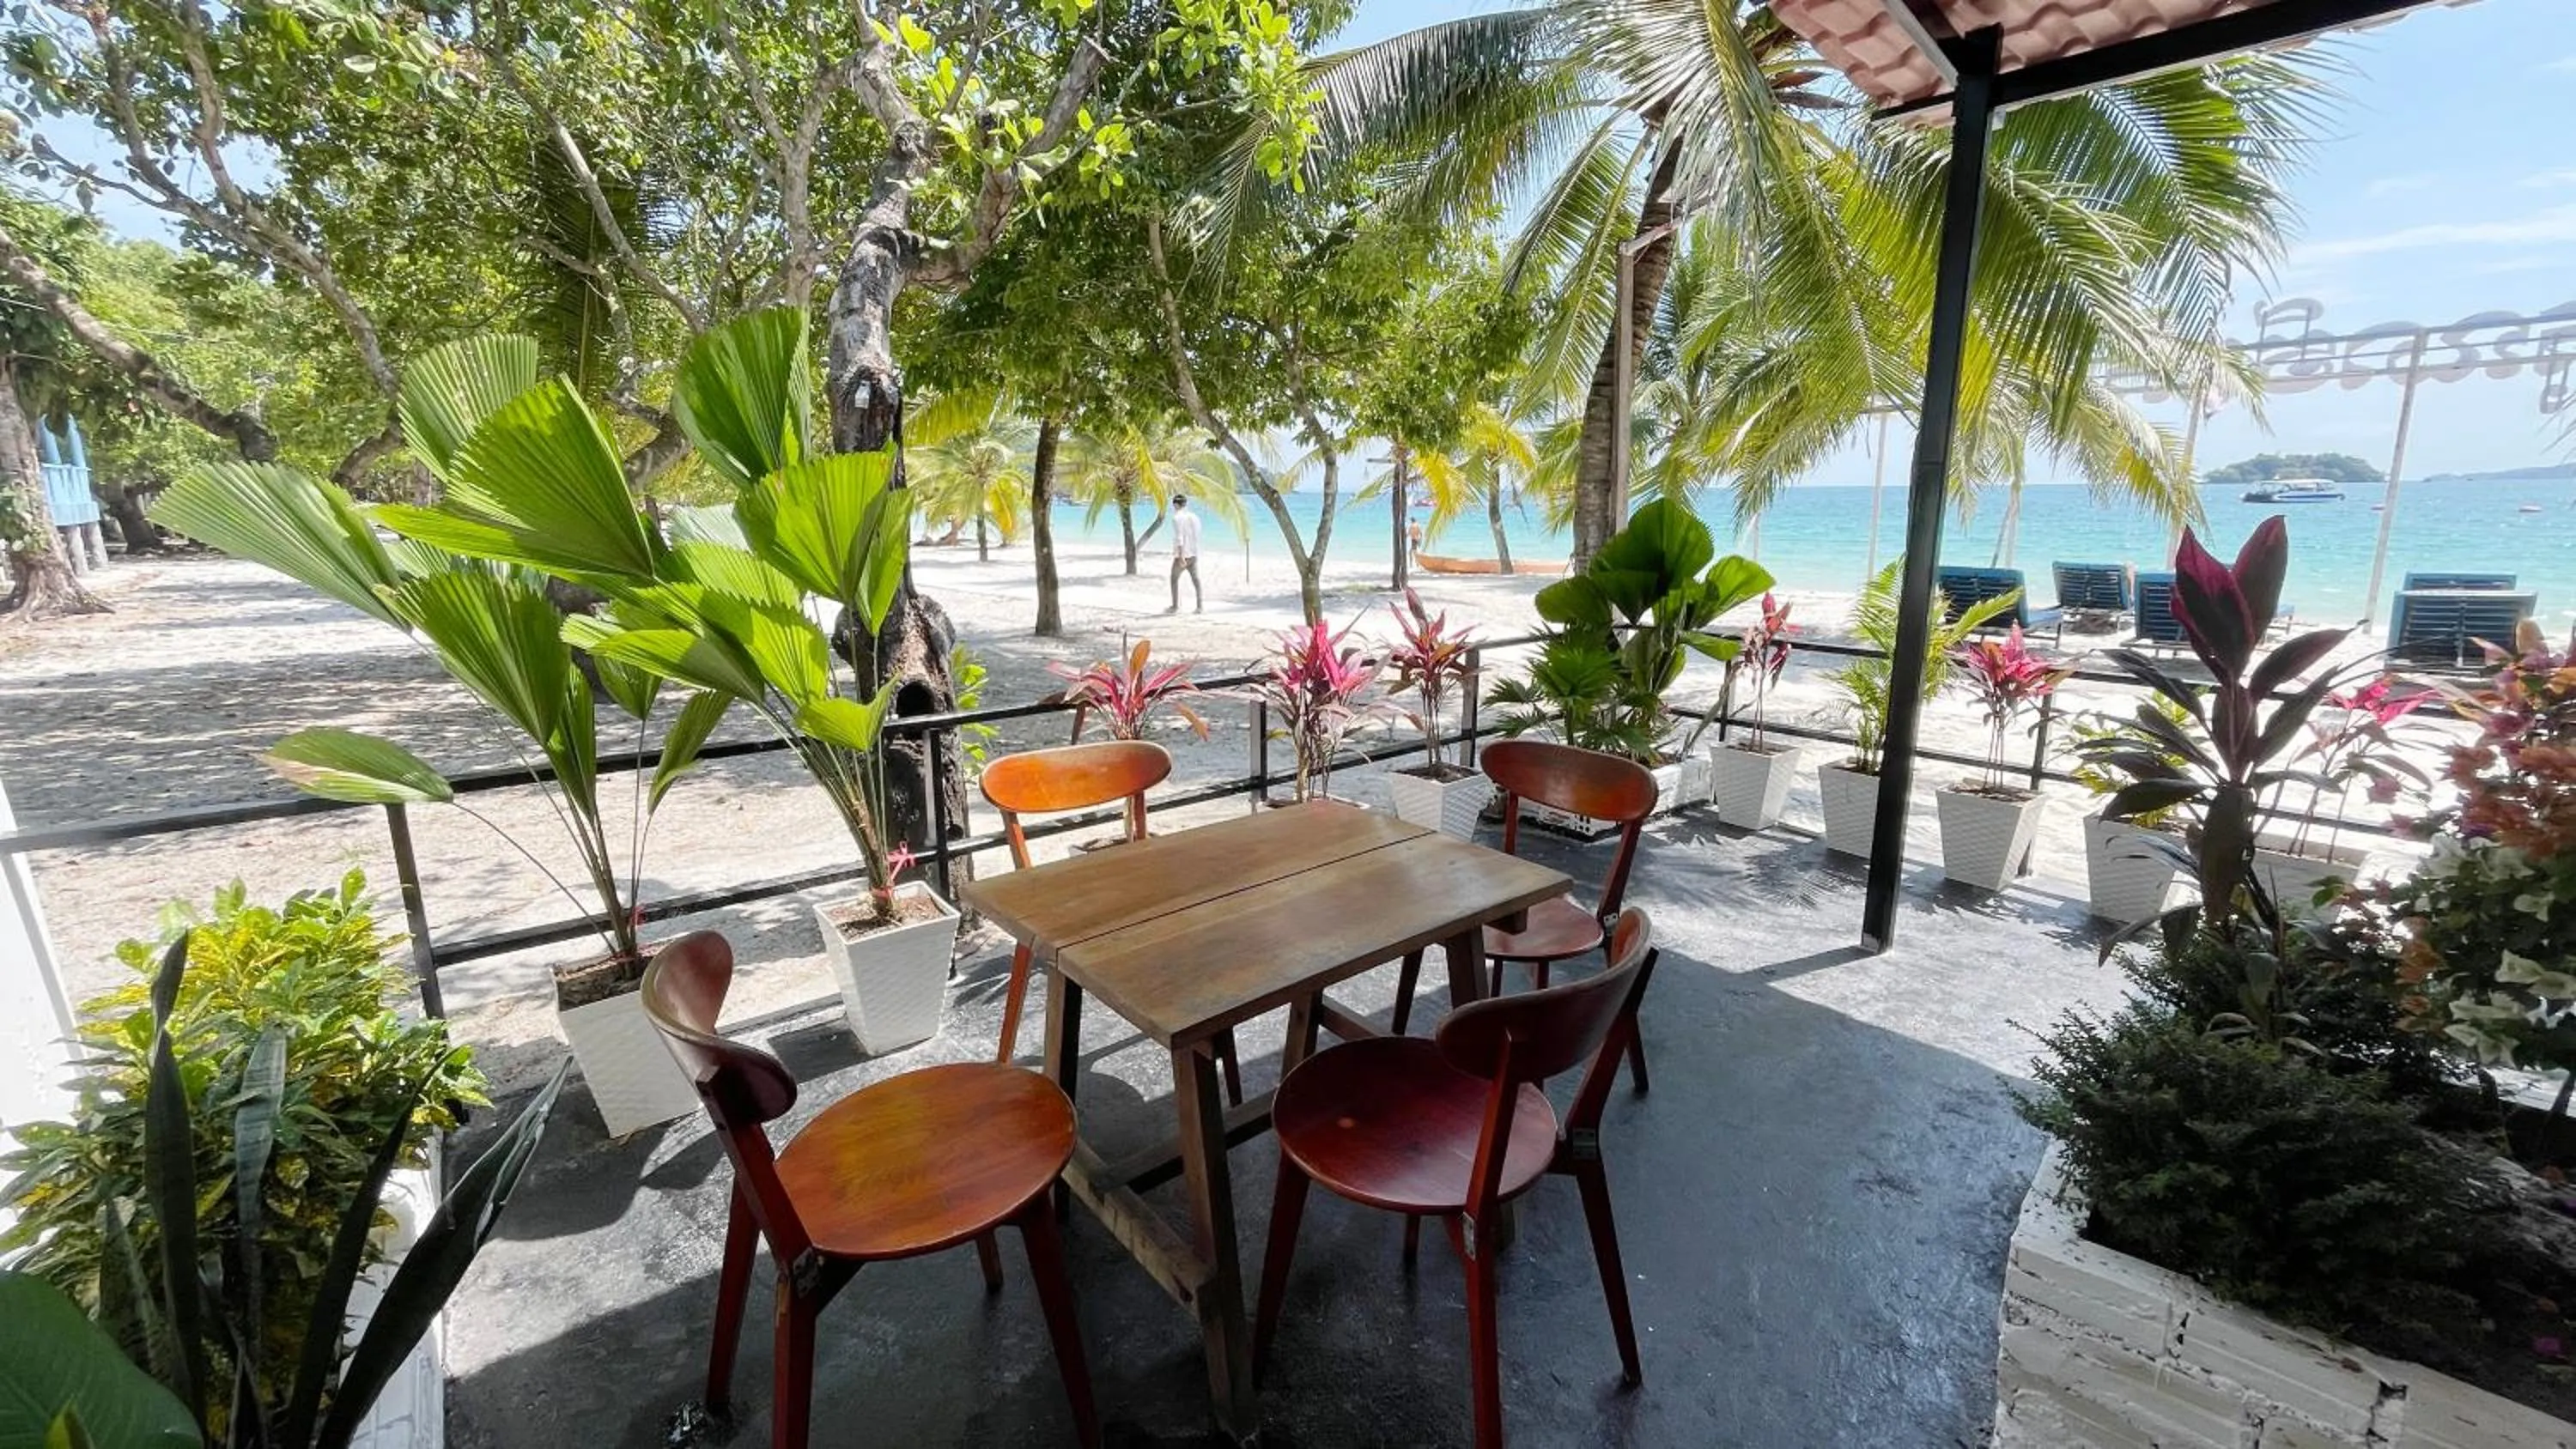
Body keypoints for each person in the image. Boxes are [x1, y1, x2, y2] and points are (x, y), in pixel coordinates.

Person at [1165, 493, 1203, 614]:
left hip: (1182, 554)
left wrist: (1181, 556)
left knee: (1174, 579)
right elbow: (1197, 535)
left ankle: (1175, 607)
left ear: (1176, 504)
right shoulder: (1194, 517)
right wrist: (1195, 552)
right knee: (1196, 580)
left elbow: (1179, 538)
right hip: (1193, 553)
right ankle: (1200, 607)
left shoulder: (1176, 518)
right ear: (1185, 504)